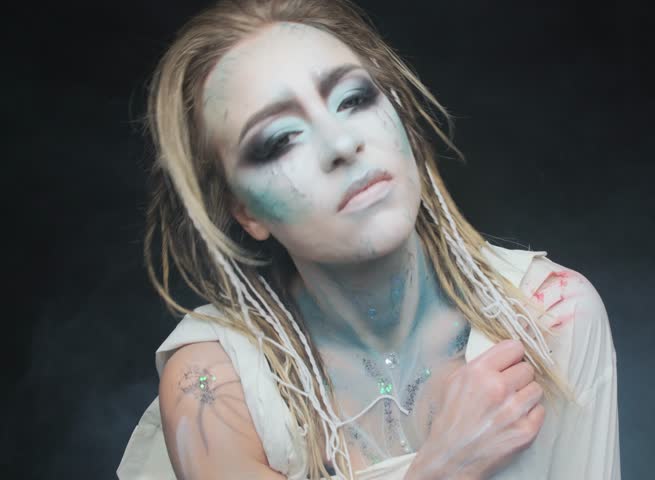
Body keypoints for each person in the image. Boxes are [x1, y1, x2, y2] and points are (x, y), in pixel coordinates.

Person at [118, 0, 621, 478]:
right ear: (245, 211)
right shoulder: (211, 385)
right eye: (280, 140)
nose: (342, 143)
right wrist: (445, 469)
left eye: (354, 99)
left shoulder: (551, 315)